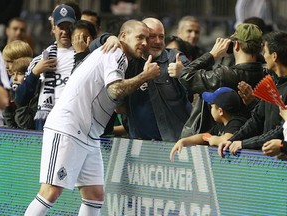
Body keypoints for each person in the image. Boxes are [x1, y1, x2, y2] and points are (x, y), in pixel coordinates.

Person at [24, 19, 160, 216]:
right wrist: (144, 77)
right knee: (50, 192)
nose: (145, 43)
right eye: (140, 37)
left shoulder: (115, 53)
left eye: (147, 39)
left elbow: (112, 99)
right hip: (68, 127)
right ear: (123, 36)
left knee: (94, 195)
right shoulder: (116, 52)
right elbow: (115, 90)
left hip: (89, 134)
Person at [90, 17, 193, 141]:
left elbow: (199, 87)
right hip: (139, 144)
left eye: (161, 36)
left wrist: (183, 74)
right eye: (152, 36)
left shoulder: (175, 58)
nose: (158, 41)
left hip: (176, 143)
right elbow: (92, 47)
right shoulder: (129, 62)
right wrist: (108, 38)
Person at [169, 23, 265, 138]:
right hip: (251, 137)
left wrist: (212, 54)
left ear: (236, 45)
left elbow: (186, 75)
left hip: (217, 138)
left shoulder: (223, 75)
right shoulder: (266, 74)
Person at [218, 31, 287, 158]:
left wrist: (244, 144)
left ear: (274, 56)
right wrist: (232, 140)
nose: (263, 56)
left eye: (265, 52)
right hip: (267, 159)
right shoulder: (272, 83)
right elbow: (257, 120)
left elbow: (280, 131)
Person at [15, 4, 76, 130]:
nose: (64, 31)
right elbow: (20, 99)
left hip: (74, 124)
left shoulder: (85, 57)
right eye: (61, 27)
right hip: (46, 125)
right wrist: (35, 73)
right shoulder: (40, 60)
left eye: (68, 27)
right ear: (53, 29)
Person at [170, 87, 246, 161]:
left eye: (212, 107)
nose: (211, 110)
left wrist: (214, 140)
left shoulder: (237, 122)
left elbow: (228, 139)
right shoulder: (221, 125)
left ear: (220, 111)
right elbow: (204, 136)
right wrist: (184, 141)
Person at [3, 57, 36, 129]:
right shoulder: (13, 93)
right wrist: (7, 106)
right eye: (13, 74)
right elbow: (12, 127)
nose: (14, 78)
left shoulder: (35, 98)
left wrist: (20, 104)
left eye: (19, 74)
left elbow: (25, 126)